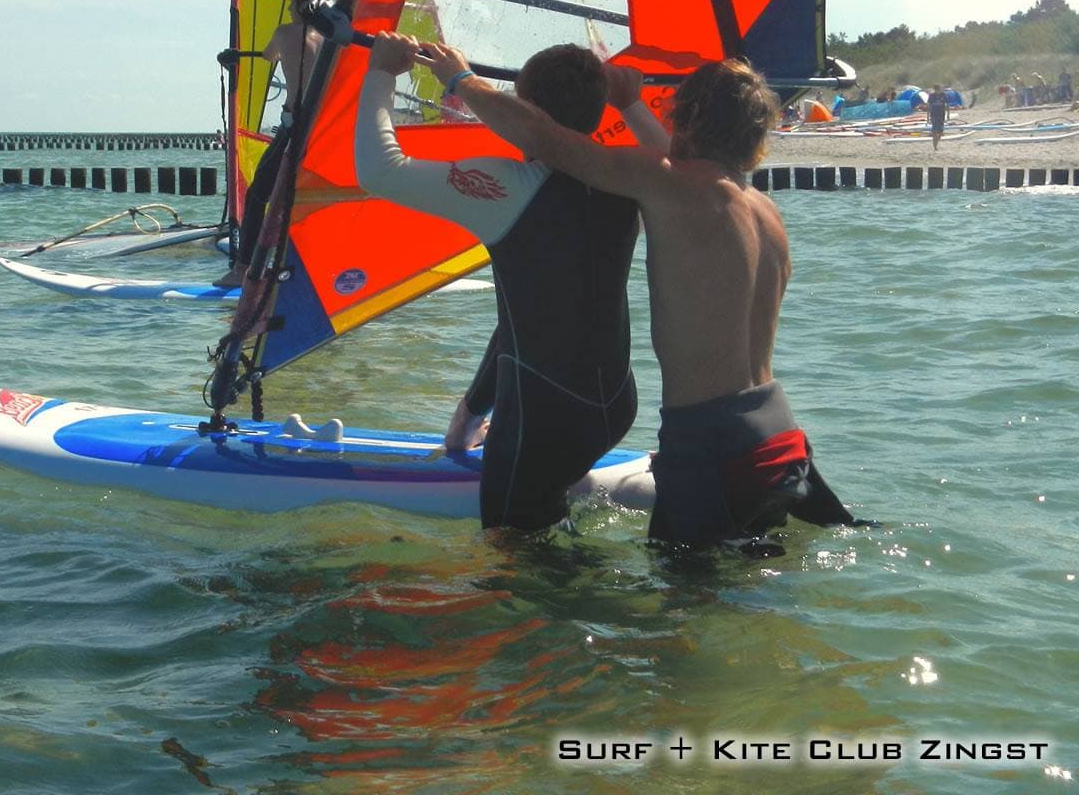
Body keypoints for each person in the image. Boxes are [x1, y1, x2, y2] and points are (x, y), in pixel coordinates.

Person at [420, 44, 860, 552]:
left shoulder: (667, 182)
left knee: (682, 618)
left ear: (687, 115)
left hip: (709, 443)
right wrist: (629, 103)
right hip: (779, 436)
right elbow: (680, 162)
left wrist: (460, 79)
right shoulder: (762, 211)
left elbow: (543, 137)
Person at [356, 33, 669, 530]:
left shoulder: (507, 186)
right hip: (613, 406)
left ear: (524, 112)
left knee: (514, 569)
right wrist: (471, 414)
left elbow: (378, 169)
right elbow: (526, 320)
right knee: (550, 528)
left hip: (545, 418)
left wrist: (381, 75)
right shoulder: (627, 178)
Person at [216, 0, 335, 287]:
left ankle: (242, 271)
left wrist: (235, 56)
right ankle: (318, 270)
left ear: (295, 4)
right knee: (309, 199)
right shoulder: (334, 38)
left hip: (295, 127)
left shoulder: (285, 33)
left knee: (258, 194)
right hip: (327, 129)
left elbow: (270, 55)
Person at [926, 84, 950, 151]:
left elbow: (947, 105)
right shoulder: (932, 96)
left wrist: (948, 115)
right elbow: (929, 106)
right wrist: (927, 117)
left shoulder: (943, 95)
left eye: (938, 89)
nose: (938, 91)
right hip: (934, 115)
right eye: (936, 89)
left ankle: (936, 142)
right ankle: (935, 147)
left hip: (941, 115)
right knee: (934, 132)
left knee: (940, 132)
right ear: (935, 89)